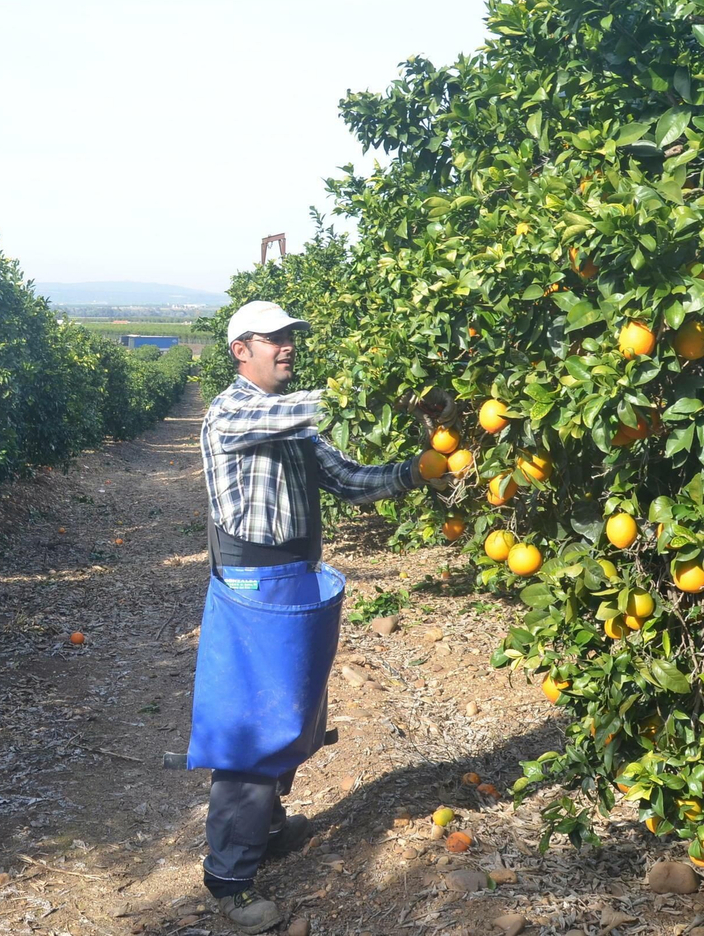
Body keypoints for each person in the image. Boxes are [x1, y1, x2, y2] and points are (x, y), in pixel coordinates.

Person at [190, 299, 454, 933]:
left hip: (295, 579)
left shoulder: (293, 424)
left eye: (291, 338)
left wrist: (417, 470)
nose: (287, 347)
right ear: (240, 350)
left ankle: (270, 828)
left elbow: (349, 480)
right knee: (251, 734)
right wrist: (387, 379)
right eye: (274, 339)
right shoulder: (234, 412)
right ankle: (229, 878)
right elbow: (311, 407)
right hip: (253, 587)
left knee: (293, 713)